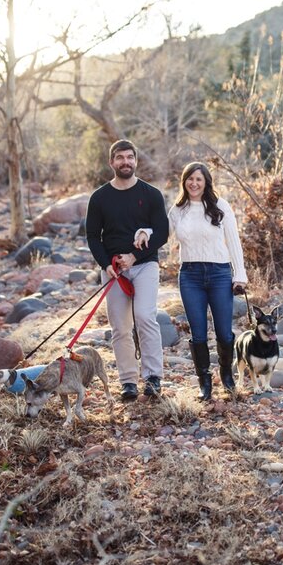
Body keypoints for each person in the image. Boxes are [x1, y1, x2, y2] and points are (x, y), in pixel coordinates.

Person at [155, 162, 247, 401]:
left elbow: (234, 242)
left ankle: (226, 375)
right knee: (198, 334)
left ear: (206, 182)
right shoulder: (178, 210)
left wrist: (240, 275)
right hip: (190, 276)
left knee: (224, 332)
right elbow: (160, 236)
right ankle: (204, 383)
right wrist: (143, 232)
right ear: (184, 182)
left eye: (199, 179)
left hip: (219, 274)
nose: (194, 183)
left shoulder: (220, 206)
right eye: (189, 179)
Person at [85, 140, 169, 400]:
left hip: (145, 265)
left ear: (136, 161)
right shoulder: (99, 198)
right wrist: (105, 265)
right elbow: (92, 236)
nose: (125, 162)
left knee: (145, 316)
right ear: (111, 163)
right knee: (120, 327)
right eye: (119, 158)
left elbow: (163, 233)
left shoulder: (151, 194)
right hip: (113, 271)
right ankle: (128, 381)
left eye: (129, 157)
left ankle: (153, 377)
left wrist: (135, 256)